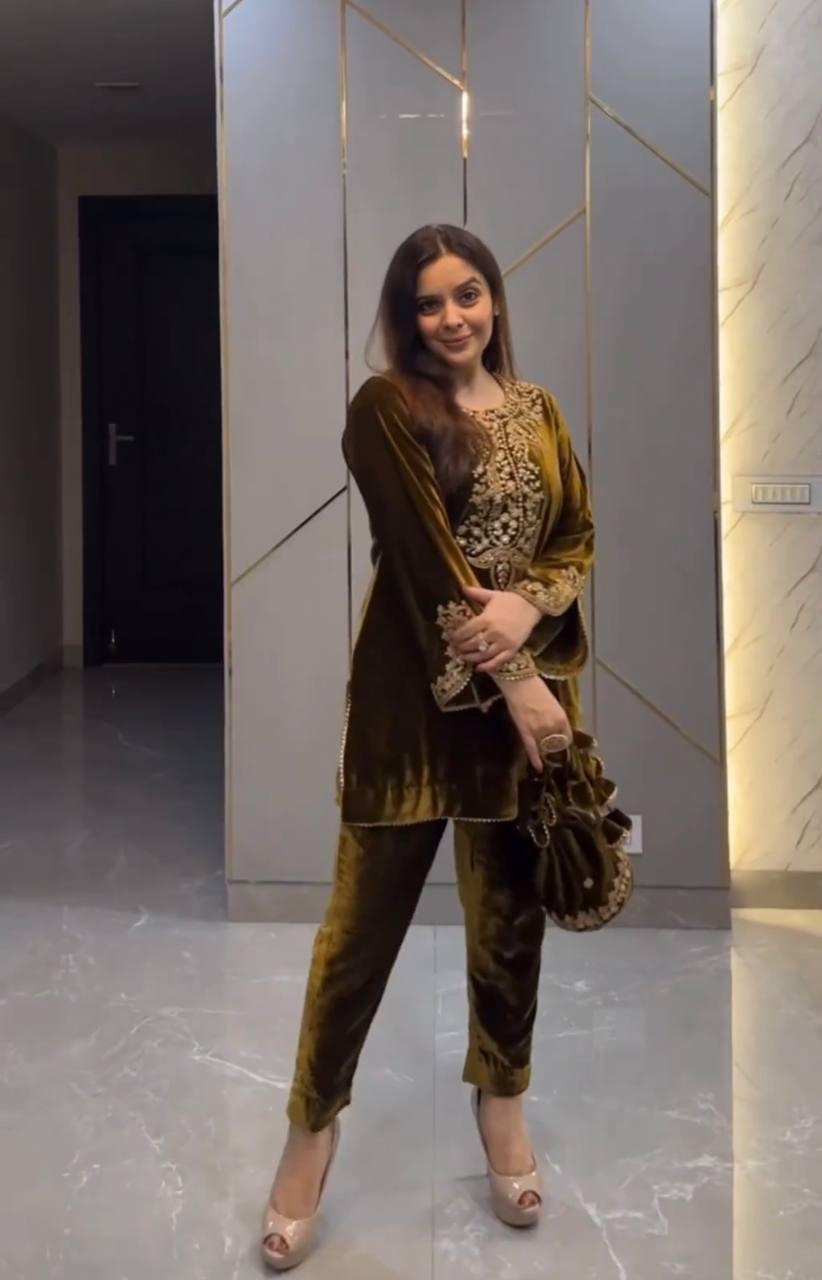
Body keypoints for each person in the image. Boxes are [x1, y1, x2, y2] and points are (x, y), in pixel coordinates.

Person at [260, 224, 625, 1270]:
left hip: (525, 707)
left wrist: (528, 608)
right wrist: (520, 680)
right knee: (357, 934)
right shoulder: (384, 407)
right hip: (413, 709)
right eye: (429, 302)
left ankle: (502, 1105)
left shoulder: (539, 410)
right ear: (407, 317)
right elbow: (425, 561)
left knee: (509, 924)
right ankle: (310, 1131)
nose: (452, 316)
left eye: (468, 293)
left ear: (494, 299)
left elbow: (576, 534)